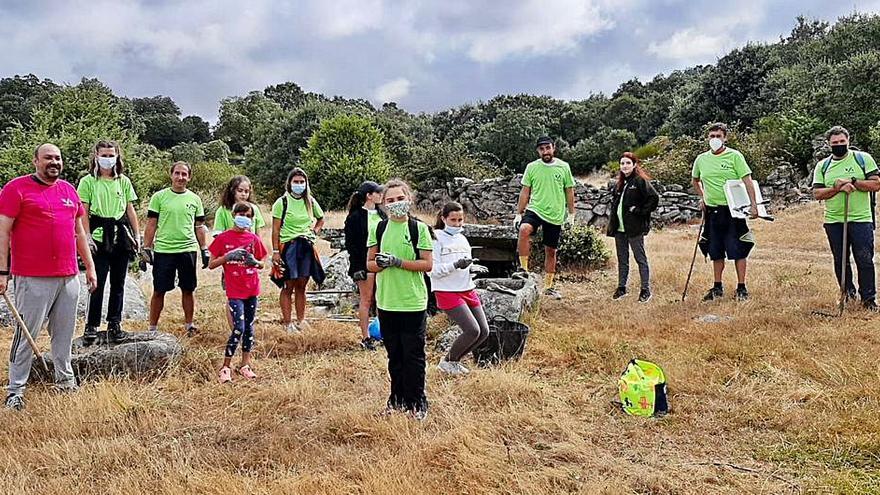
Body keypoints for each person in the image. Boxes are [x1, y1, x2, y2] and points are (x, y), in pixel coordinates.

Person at [0, 143, 98, 411]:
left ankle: (65, 382)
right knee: (26, 334)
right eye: (47, 158)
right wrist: (2, 271)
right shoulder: (16, 189)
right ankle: (15, 390)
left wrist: (89, 267)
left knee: (64, 334)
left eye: (57, 158)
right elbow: (3, 232)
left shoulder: (69, 190)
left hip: (68, 276)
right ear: (35, 161)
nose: (53, 162)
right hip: (31, 277)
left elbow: (79, 233)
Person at [367, 179, 433, 420]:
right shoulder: (379, 229)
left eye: (400, 199)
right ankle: (396, 401)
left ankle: (418, 402)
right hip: (386, 302)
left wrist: (399, 262)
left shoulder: (419, 229)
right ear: (383, 204)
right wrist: (381, 265)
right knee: (394, 356)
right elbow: (369, 264)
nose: (396, 204)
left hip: (413, 302)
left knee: (413, 356)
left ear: (409, 199)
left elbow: (427, 264)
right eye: (390, 200)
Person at [77, 140, 140, 345]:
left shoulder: (123, 181)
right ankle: (92, 324)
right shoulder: (88, 181)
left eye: (111, 154)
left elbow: (130, 210)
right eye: (103, 155)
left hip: (120, 236)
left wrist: (136, 236)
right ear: (96, 156)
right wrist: (86, 236)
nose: (107, 158)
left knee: (118, 283)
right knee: (97, 282)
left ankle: (114, 322)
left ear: (117, 156)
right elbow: (83, 211)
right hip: (98, 235)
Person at [812, 125, 880, 311]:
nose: (839, 145)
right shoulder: (823, 166)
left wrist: (854, 182)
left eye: (842, 142)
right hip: (834, 220)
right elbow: (817, 193)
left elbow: (876, 184)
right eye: (835, 143)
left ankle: (868, 299)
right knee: (840, 259)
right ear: (828, 144)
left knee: (864, 258)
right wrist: (836, 188)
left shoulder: (863, 159)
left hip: (861, 218)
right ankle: (848, 293)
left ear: (848, 141)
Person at [691, 122, 759, 302]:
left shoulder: (735, 156)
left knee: (739, 248)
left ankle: (742, 287)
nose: (714, 140)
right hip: (713, 212)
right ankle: (717, 286)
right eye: (711, 136)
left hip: (734, 210)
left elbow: (747, 181)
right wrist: (703, 197)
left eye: (718, 136)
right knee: (715, 250)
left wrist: (754, 205)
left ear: (725, 138)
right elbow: (695, 180)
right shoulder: (701, 159)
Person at [141, 161, 208, 336]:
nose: (180, 177)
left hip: (187, 249)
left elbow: (199, 226)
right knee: (159, 290)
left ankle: (189, 325)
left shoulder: (195, 199)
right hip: (164, 250)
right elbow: (151, 224)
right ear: (171, 175)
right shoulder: (159, 197)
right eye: (177, 173)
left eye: (184, 174)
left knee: (188, 289)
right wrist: (146, 248)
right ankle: (152, 328)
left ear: (189, 177)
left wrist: (204, 248)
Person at [208, 202, 269, 382]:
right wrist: (227, 257)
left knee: (249, 328)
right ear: (234, 215)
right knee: (238, 328)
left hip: (252, 288)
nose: (244, 217)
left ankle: (245, 364)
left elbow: (263, 262)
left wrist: (255, 262)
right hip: (235, 291)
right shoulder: (223, 238)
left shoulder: (253, 239)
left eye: (248, 215)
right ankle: (225, 366)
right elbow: (211, 264)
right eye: (241, 214)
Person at [429, 202, 489, 375]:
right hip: (447, 291)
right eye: (453, 220)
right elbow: (432, 270)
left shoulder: (463, 239)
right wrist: (455, 265)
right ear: (443, 218)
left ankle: (454, 361)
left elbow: (466, 265)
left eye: (460, 220)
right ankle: (448, 361)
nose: (457, 224)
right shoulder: (436, 238)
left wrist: (472, 269)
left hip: (467, 288)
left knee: (484, 331)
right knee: (472, 330)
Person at [514, 136, 576, 300]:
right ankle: (524, 272)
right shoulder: (532, 167)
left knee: (551, 250)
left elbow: (569, 191)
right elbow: (525, 191)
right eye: (542, 149)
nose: (545, 151)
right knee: (524, 229)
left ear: (553, 148)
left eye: (548, 148)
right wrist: (519, 213)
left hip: (555, 214)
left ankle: (548, 286)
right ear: (538, 151)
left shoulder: (564, 167)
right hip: (535, 209)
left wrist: (571, 214)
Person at [271, 167, 325, 333]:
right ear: (289, 183)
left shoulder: (310, 201)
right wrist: (275, 251)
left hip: (306, 246)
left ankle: (301, 320)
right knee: (288, 286)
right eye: (296, 182)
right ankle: (287, 323)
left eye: (302, 182)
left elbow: (321, 219)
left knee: (302, 285)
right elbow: (275, 230)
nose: (299, 185)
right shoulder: (282, 202)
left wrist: (314, 232)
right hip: (289, 246)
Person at [606, 152, 659, 303]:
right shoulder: (620, 184)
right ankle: (621, 288)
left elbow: (654, 198)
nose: (625, 166)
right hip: (620, 228)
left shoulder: (640, 181)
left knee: (640, 258)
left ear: (634, 164)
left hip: (635, 228)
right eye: (622, 163)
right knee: (622, 259)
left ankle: (645, 290)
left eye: (628, 163)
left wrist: (640, 211)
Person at [344, 180, 385, 351]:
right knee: (366, 299)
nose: (381, 196)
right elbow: (351, 245)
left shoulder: (383, 215)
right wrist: (357, 267)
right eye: (378, 193)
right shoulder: (354, 217)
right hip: (364, 264)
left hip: (383, 263)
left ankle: (383, 333)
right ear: (369, 195)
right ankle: (365, 336)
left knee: (382, 299)